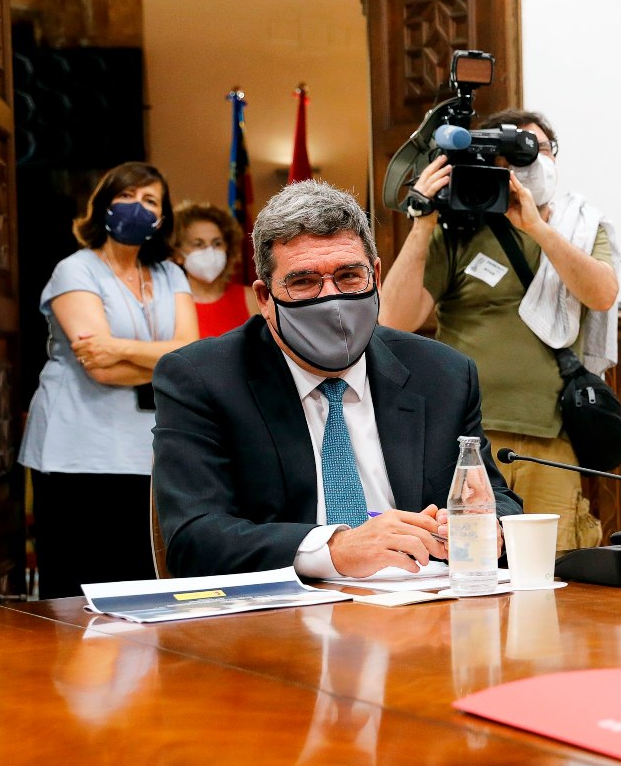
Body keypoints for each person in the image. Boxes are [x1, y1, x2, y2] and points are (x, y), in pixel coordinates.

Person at [152, 179, 522, 578]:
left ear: (376, 276)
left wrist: (487, 526)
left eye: (349, 276)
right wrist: (334, 548)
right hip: (283, 620)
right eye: (304, 282)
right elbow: (194, 539)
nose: (333, 300)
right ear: (264, 297)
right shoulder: (203, 378)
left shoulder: (443, 374)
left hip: (421, 607)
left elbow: (492, 498)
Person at [380, 108, 617, 553]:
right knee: (466, 564)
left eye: (538, 150)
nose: (529, 163)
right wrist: (423, 220)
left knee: (555, 568)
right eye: (512, 155)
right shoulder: (457, 229)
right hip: (467, 442)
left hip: (550, 439)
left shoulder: (580, 226)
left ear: (554, 159)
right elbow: (392, 320)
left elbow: (601, 293)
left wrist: (536, 228)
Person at [17, 161, 198, 597]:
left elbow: (190, 353)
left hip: (145, 453)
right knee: (78, 592)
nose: (138, 207)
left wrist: (118, 347)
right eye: (127, 196)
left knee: (140, 585)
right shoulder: (75, 269)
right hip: (77, 452)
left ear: (162, 217)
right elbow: (97, 365)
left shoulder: (170, 273)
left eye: (150, 200)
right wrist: (160, 359)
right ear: (103, 206)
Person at [170, 198, 258, 337]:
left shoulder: (252, 298)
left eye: (217, 243)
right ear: (177, 254)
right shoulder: (169, 303)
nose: (210, 251)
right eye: (198, 244)